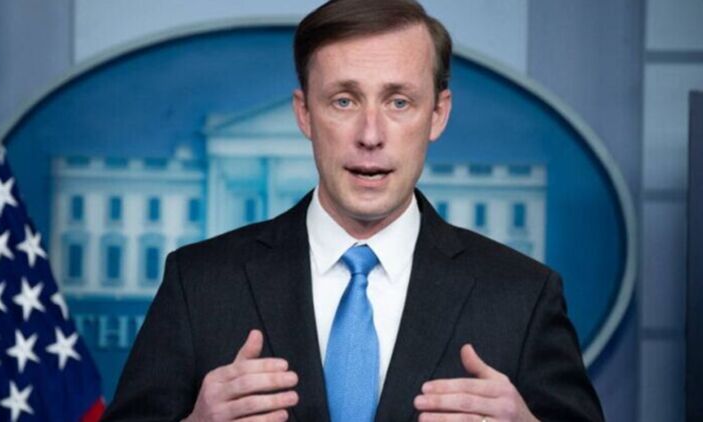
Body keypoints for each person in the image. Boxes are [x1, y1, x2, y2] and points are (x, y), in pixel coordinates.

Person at [103, 1, 604, 421]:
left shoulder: (523, 296)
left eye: (399, 102)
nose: (370, 135)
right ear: (304, 113)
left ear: (438, 114)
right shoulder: (199, 283)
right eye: (344, 101)